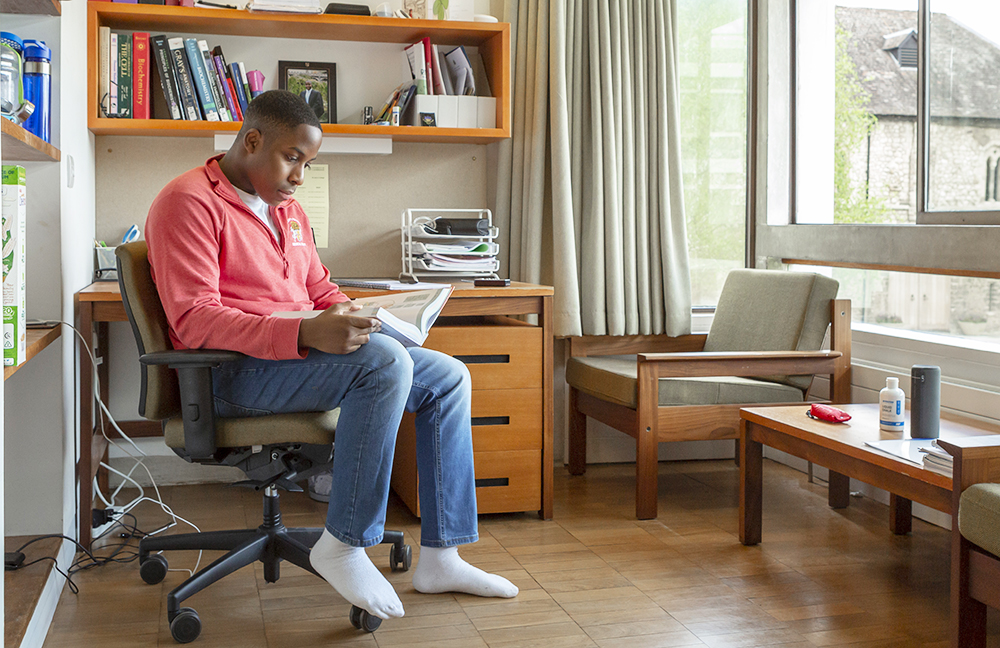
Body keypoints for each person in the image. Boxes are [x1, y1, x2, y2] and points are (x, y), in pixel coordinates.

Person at [144, 90, 517, 621]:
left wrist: (354, 313)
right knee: (385, 366)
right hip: (229, 374)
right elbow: (195, 320)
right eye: (292, 158)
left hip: (293, 363)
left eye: (308, 163)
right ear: (252, 141)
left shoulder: (287, 210)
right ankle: (344, 542)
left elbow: (318, 287)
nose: (299, 176)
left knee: (448, 376)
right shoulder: (188, 203)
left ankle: (442, 556)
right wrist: (304, 333)